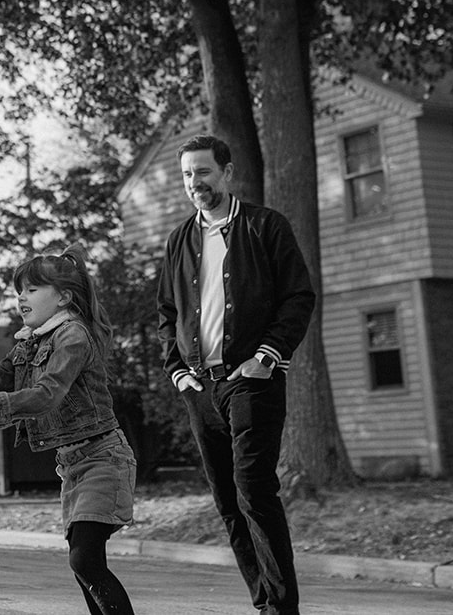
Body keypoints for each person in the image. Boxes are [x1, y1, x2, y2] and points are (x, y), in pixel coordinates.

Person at [157, 134, 317, 615]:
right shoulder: (180, 239)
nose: (194, 183)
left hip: (252, 381)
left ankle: (282, 607)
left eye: (203, 172)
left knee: (254, 490)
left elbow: (298, 297)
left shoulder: (266, 227)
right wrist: (178, 374)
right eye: (187, 175)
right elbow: (167, 313)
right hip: (200, 387)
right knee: (227, 500)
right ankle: (264, 601)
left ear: (227, 173)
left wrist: (267, 356)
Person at [0, 244, 137, 615]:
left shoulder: (72, 336)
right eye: (19, 290)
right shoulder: (29, 344)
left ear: (63, 297)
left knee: (85, 561)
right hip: (72, 465)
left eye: (31, 289)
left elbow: (48, 394)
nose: (20, 297)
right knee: (84, 565)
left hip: (104, 458)